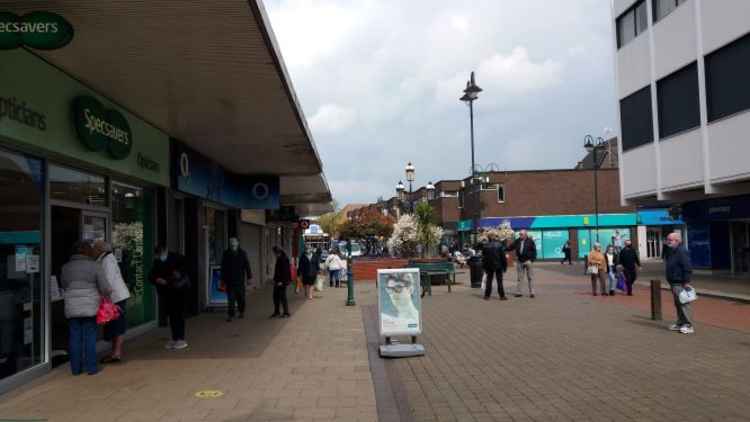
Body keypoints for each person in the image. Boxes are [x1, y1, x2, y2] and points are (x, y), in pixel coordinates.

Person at [60, 241, 112, 376]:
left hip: (72, 306)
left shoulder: (65, 268)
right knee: (90, 337)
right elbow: (105, 288)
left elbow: (64, 285)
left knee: (74, 337)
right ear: (88, 252)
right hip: (90, 306)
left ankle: (75, 370)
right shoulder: (94, 266)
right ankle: (92, 369)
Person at [93, 240, 130, 364]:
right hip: (114, 297)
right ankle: (115, 352)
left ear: (100, 249)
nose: (93, 250)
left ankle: (116, 353)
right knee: (114, 325)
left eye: (95, 248)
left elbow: (107, 281)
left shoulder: (107, 260)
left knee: (117, 325)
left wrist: (107, 300)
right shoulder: (104, 258)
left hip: (115, 298)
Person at [149, 245, 189, 350]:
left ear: (165, 251)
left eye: (160, 254)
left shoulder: (178, 258)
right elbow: (151, 275)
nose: (159, 257)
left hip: (179, 291)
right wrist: (157, 279)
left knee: (179, 315)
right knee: (172, 315)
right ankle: (175, 338)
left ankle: (181, 339)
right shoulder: (157, 261)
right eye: (157, 255)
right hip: (166, 293)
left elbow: (182, 273)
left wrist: (168, 279)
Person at [665, 232, 694, 334]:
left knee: (683, 303)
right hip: (673, 282)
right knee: (678, 304)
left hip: (680, 282)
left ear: (677, 240)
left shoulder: (681, 251)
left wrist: (686, 281)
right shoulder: (672, 251)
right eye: (667, 239)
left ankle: (688, 325)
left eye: (670, 240)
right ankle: (680, 322)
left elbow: (687, 267)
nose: (667, 242)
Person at [221, 237, 252, 322]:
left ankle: (241, 311)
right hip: (230, 281)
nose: (232, 243)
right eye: (231, 242)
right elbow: (223, 267)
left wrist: (249, 278)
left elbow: (247, 266)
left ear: (238, 243)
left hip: (240, 281)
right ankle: (230, 315)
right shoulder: (226, 253)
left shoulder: (242, 253)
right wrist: (223, 280)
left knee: (241, 298)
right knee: (230, 299)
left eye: (234, 242)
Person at [481, 233, 508, 300]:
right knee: (499, 281)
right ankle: (502, 296)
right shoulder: (499, 245)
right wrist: (505, 266)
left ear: (488, 238)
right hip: (498, 265)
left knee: (489, 281)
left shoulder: (485, 246)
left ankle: (487, 296)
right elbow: (503, 257)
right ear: (494, 237)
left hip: (489, 266)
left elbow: (484, 258)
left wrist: (484, 267)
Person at [511, 230, 537, 298]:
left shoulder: (530, 241)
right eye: (520, 234)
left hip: (528, 261)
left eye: (521, 234)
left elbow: (534, 251)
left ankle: (532, 293)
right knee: (520, 278)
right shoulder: (517, 241)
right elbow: (511, 247)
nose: (520, 235)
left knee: (530, 277)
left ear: (525, 235)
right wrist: (503, 249)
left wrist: (532, 260)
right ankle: (519, 292)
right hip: (520, 261)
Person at [270, 246, 291, 318]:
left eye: (275, 253)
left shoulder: (284, 259)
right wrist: (274, 279)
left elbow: (285, 272)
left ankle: (286, 312)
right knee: (275, 296)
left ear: (278, 252)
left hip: (282, 282)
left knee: (282, 297)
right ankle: (277, 312)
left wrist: (282, 281)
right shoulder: (279, 258)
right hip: (278, 281)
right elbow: (277, 271)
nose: (274, 255)